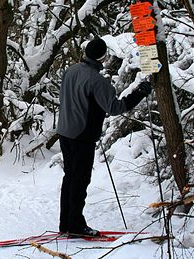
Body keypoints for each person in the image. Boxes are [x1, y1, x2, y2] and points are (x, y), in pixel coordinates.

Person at [57, 38, 152, 236]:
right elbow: (115, 107)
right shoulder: (96, 80)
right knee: (80, 180)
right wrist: (140, 92)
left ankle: (65, 223)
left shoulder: (71, 71)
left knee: (70, 177)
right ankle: (75, 225)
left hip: (65, 131)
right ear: (103, 57)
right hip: (81, 135)